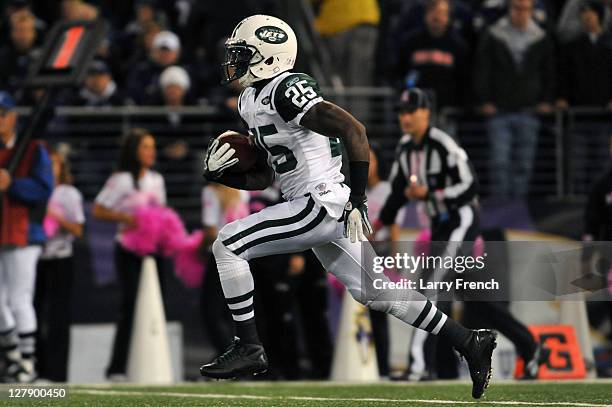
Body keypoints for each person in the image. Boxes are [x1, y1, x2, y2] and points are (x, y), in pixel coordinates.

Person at [199, 15, 496, 399]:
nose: (235, 61)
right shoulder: (250, 99)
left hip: (321, 202)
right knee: (378, 293)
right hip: (311, 203)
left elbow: (355, 130)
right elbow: (266, 178)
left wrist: (358, 199)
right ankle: (470, 341)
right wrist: (224, 175)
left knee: (228, 243)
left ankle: (249, 345)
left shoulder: (287, 89)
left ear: (268, 57)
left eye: (243, 54)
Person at [379, 87, 550, 380]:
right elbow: (396, 193)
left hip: (461, 221)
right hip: (439, 226)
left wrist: (431, 193)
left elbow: (470, 186)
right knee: (474, 299)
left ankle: (419, 366)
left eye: (411, 111)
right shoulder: (406, 148)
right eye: (401, 113)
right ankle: (531, 345)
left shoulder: (443, 144)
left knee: (431, 288)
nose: (405, 117)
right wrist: (377, 224)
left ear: (426, 113)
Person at [92, 128, 166, 379]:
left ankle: (148, 362)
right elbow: (99, 210)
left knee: (153, 303)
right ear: (134, 151)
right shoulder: (122, 179)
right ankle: (117, 367)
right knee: (130, 305)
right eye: (145, 146)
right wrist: (126, 218)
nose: (151, 152)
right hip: (127, 248)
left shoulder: (157, 180)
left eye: (153, 146)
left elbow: (161, 214)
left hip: (153, 251)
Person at [473, 0, 555, 198]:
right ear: (509, 9)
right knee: (499, 163)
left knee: (524, 165)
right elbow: (483, 69)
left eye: (525, 9)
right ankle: (502, 207)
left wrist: (546, 99)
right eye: (517, 8)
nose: (521, 13)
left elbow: (549, 72)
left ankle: (518, 207)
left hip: (529, 110)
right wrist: (483, 99)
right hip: (499, 111)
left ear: (532, 10)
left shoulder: (541, 37)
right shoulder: (494, 34)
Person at [0, 91, 53, 382]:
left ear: (12, 118)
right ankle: (13, 356)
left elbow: (44, 189)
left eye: (1, 114)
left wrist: (13, 185)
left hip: (25, 231)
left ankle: (26, 361)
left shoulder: (33, 149)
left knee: (20, 298)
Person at [35, 147, 84, 382]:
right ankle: (35, 368)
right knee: (32, 313)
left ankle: (57, 374)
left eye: (53, 164)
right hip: (34, 258)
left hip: (61, 259)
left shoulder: (68, 194)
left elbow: (77, 229)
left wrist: (55, 217)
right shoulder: (33, 191)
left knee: (59, 316)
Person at [394, 0, 470, 109]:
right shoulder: (410, 42)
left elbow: (464, 79)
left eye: (442, 13)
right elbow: (399, 72)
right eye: (433, 11)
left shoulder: (459, 46)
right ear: (425, 15)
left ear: (448, 17)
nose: (436, 16)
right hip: (415, 109)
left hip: (447, 110)